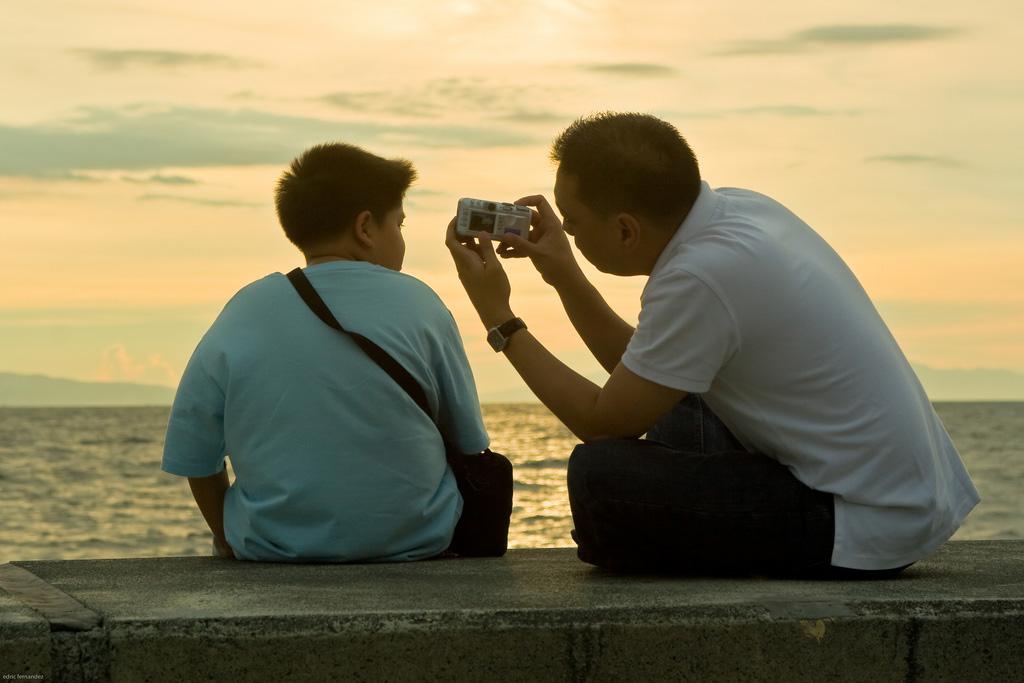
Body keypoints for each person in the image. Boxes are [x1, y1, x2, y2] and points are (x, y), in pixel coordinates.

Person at [445, 112, 980, 578]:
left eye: (577, 225)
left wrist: (500, 318)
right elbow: (645, 373)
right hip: (902, 497)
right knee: (678, 411)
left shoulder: (701, 275)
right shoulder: (741, 212)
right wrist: (563, 272)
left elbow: (605, 423)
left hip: (861, 521)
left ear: (626, 230)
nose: (571, 236)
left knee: (599, 477)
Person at [162, 142, 489, 562]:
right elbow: (468, 439)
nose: (402, 241)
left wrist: (227, 537)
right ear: (366, 228)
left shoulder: (246, 309)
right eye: (400, 225)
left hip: (271, 549)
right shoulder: (422, 303)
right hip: (418, 542)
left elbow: (194, 451)